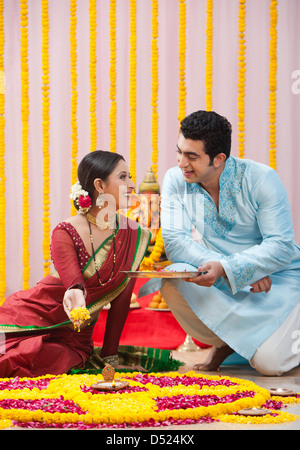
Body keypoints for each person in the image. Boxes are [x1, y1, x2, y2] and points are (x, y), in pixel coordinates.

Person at [159, 110, 300, 376]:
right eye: (179, 152)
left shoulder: (261, 179)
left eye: (192, 156)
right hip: (226, 277)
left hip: (281, 279)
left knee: (270, 365)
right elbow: (175, 243)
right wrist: (233, 270)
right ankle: (228, 342)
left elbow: (281, 245)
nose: (181, 163)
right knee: (172, 276)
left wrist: (235, 267)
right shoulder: (175, 180)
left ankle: (262, 340)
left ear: (219, 158)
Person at [0, 151, 150, 377]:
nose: (131, 184)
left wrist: (110, 359)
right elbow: (74, 285)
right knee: (13, 357)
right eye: (123, 177)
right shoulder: (65, 231)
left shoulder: (135, 235)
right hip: (32, 317)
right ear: (100, 185)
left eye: (130, 177)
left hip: (74, 337)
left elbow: (122, 301)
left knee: (47, 359)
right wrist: (77, 294)